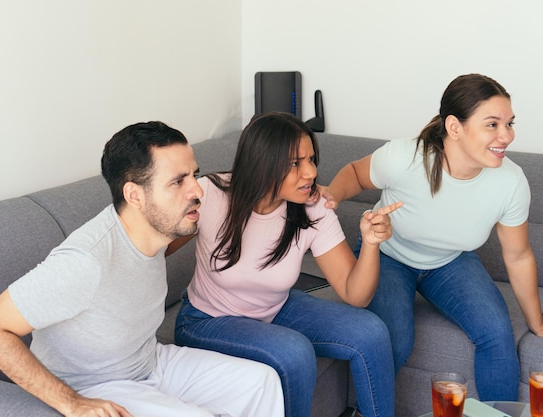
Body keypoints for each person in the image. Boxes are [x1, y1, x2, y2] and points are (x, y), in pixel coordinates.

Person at [0, 121, 285, 417]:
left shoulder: (159, 231)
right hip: (95, 384)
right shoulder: (84, 261)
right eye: (178, 181)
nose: (197, 190)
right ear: (134, 195)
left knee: (262, 382)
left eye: (193, 174)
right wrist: (74, 404)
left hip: (151, 361)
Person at [326, 73, 543, 401]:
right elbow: (357, 174)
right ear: (454, 127)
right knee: (393, 339)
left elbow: (518, 256)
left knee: (497, 334)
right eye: (492, 124)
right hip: (387, 255)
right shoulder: (405, 158)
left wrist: (537, 324)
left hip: (449, 262)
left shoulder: (511, 182)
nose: (507, 135)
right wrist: (329, 199)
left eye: (509, 124)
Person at [168, 112, 401, 417]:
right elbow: (154, 247)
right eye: (295, 163)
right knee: (294, 353)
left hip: (274, 309)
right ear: (262, 163)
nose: (310, 172)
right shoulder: (211, 193)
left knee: (371, 331)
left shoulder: (312, 207)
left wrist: (370, 244)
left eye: (311, 159)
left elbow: (355, 294)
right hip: (206, 320)